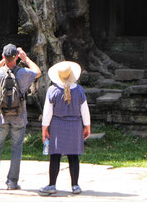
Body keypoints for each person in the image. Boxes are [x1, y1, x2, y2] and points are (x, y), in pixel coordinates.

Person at [0, 43, 41, 190]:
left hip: (1, 117)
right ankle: (12, 182)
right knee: (17, 149)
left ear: (3, 56)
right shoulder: (23, 73)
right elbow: (38, 71)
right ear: (16, 57)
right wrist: (25, 58)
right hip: (19, 117)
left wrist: (3, 60)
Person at [38, 61, 91, 196]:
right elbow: (85, 110)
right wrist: (87, 126)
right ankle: (75, 185)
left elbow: (47, 112)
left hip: (57, 126)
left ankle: (52, 185)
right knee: (73, 156)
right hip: (75, 126)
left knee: (55, 156)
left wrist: (44, 129)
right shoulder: (79, 90)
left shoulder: (53, 90)